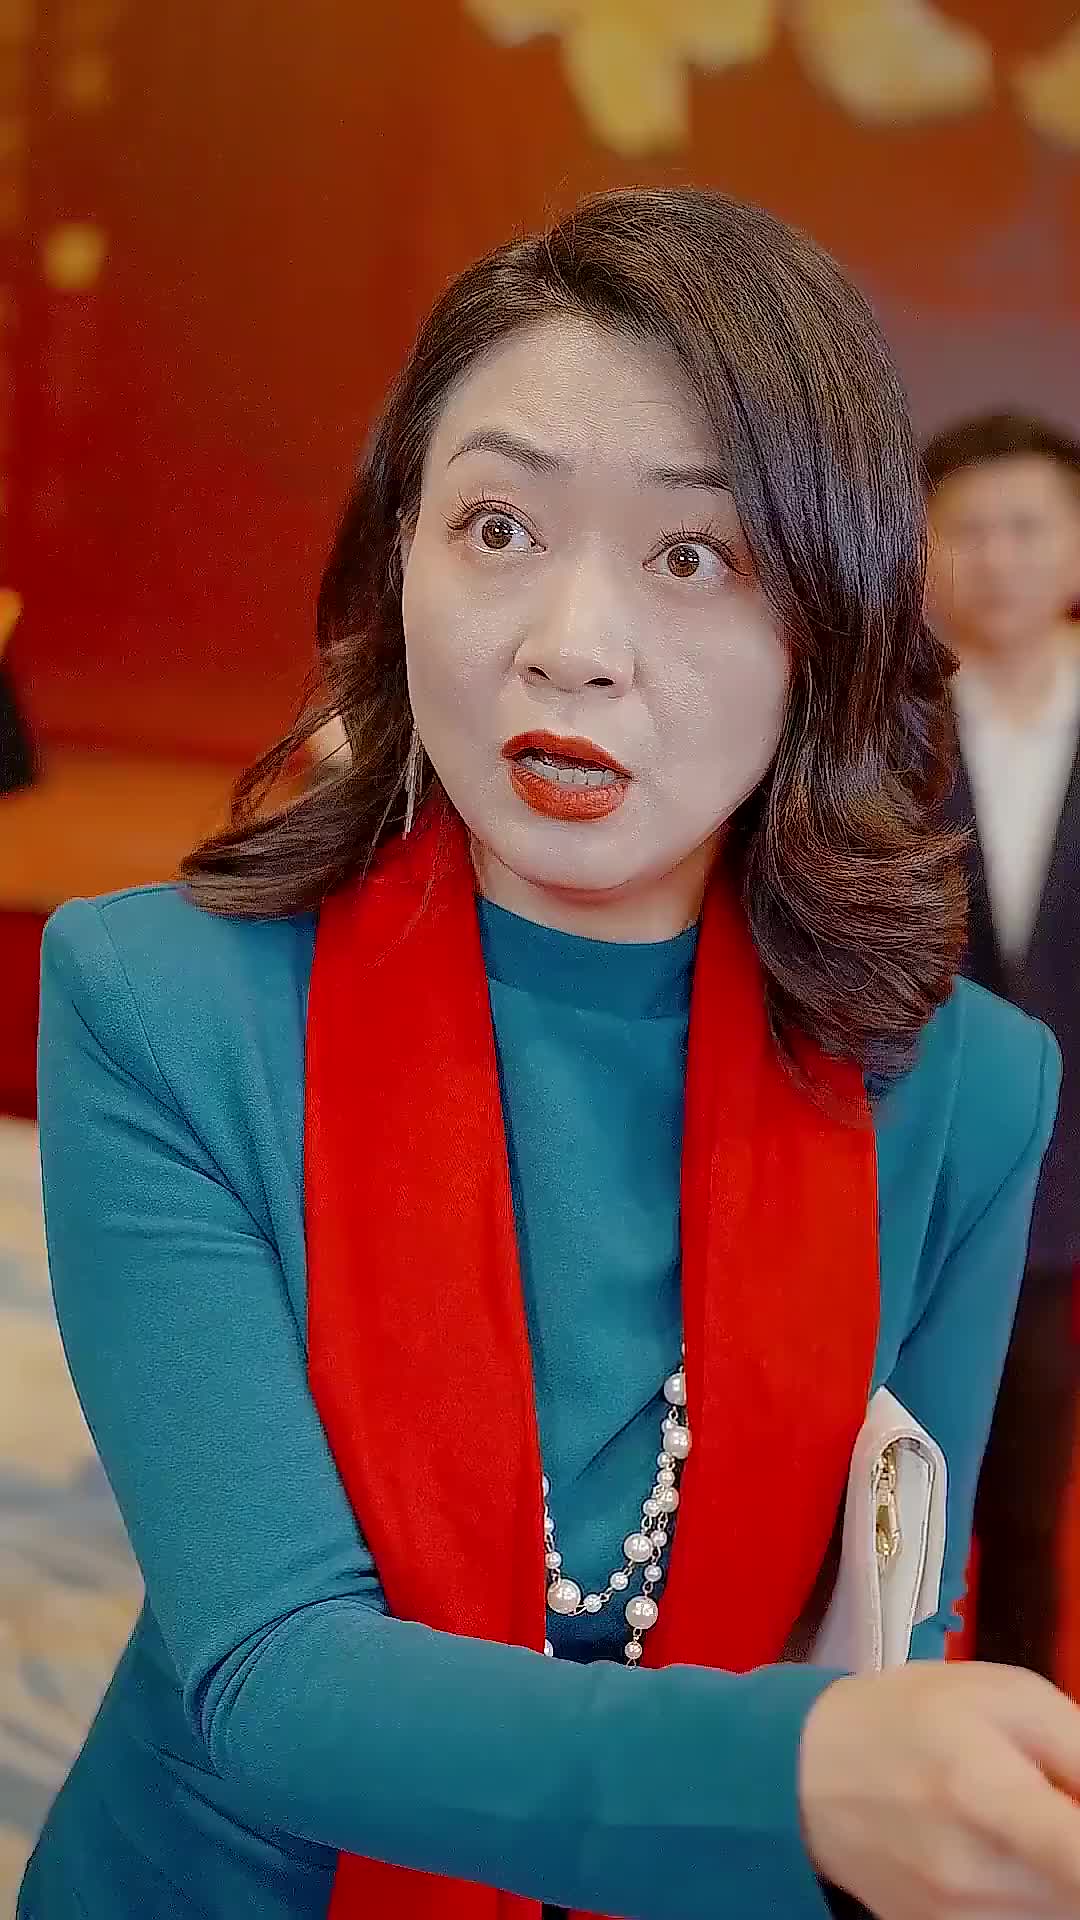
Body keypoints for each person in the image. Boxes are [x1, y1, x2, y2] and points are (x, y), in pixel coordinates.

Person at [17, 189, 1080, 1920]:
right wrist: (794, 1783)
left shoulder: (967, 1091)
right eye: (498, 526)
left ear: (827, 617)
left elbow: (895, 1617)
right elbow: (269, 1676)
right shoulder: (160, 1003)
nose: (569, 644)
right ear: (398, 561)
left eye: (692, 554)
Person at [925, 412, 1080, 1681]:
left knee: (1034, 1511)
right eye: (967, 530)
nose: (998, 556)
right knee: (939, 1497)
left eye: (1026, 526)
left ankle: (1027, 1745)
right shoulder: (887, 735)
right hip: (943, 1171)